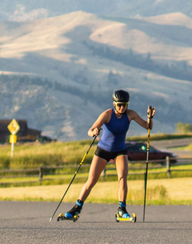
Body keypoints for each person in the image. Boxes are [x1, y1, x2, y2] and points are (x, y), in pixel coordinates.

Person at [61, 90, 154, 221]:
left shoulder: (130, 114)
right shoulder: (107, 114)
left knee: (123, 177)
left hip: (120, 151)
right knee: (91, 181)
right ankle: (77, 207)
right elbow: (90, 130)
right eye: (119, 105)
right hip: (103, 150)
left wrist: (150, 117)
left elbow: (147, 126)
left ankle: (122, 209)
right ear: (114, 104)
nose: (122, 107)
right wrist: (94, 132)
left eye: (125, 104)